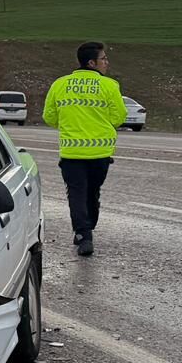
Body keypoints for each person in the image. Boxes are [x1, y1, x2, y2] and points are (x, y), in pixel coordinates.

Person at [42, 41, 127, 257]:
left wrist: (70, 125)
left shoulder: (60, 84)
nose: (107, 62)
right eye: (104, 59)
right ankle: (87, 227)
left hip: (72, 153)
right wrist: (100, 124)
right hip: (100, 153)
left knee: (77, 194)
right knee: (92, 192)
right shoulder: (109, 86)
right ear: (91, 62)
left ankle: (83, 234)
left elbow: (49, 116)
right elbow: (119, 117)